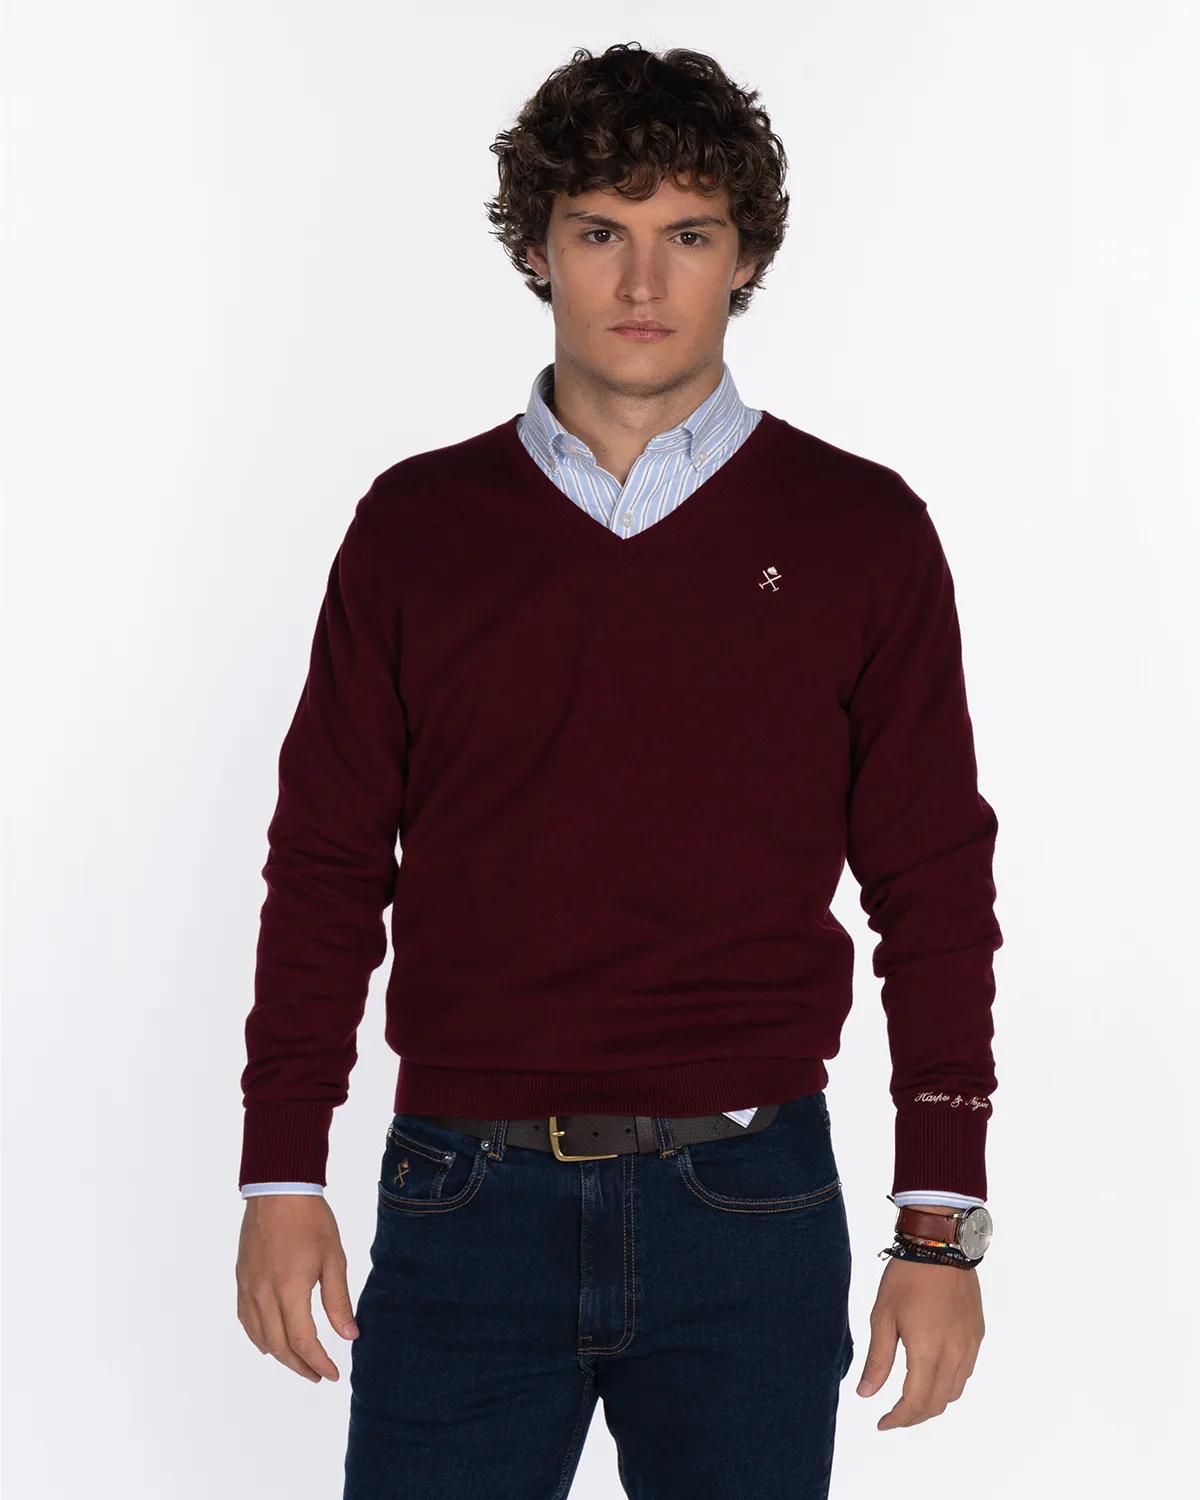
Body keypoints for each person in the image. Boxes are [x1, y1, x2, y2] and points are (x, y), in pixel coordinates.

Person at [235, 41, 1002, 1500]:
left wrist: (940, 1218)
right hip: (462, 1193)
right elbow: (327, 860)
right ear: (538, 248)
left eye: (688, 235)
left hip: (751, 1198)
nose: (643, 283)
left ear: (745, 257)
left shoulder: (859, 531)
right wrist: (281, 1166)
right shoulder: (417, 527)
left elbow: (934, 885)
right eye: (601, 231)